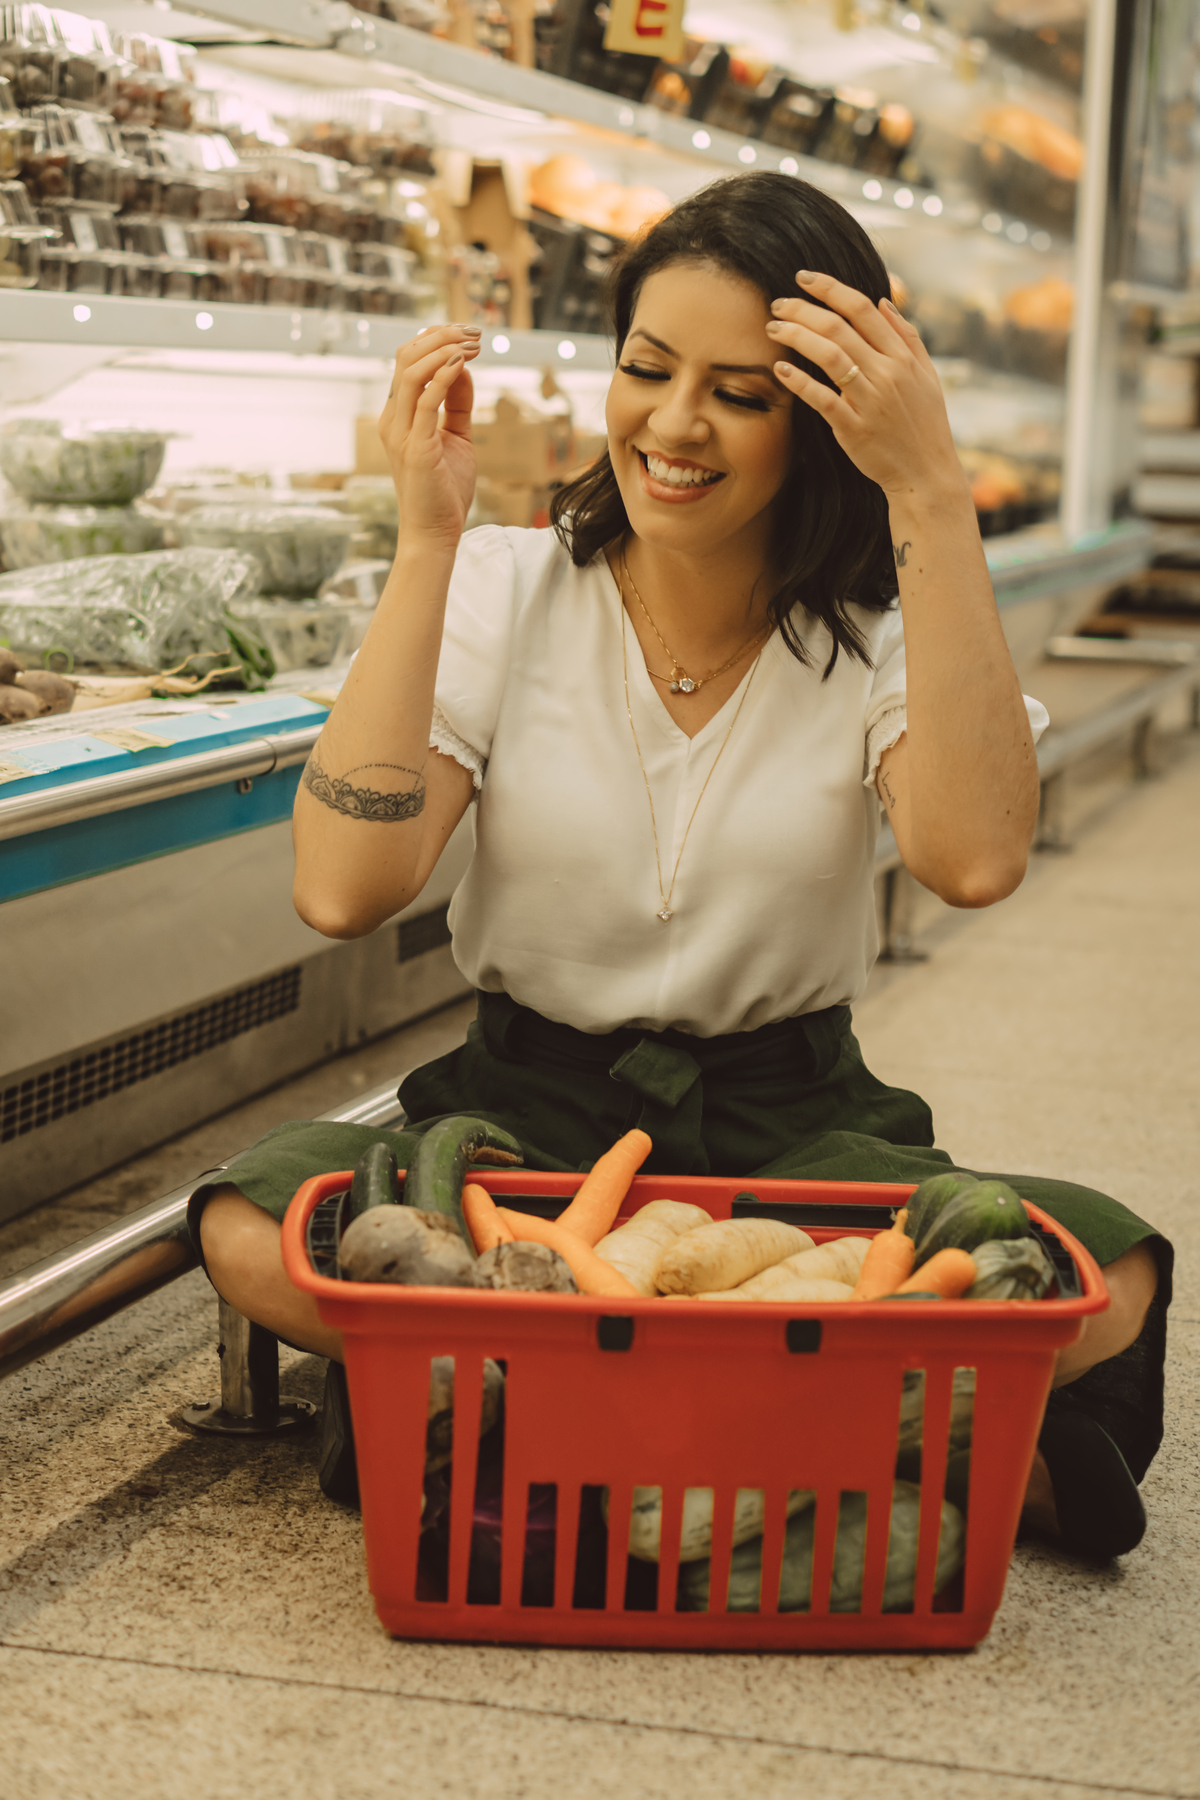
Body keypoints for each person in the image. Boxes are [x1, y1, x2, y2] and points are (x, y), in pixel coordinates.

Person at [193, 173, 1168, 1562]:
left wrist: (934, 492)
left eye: (742, 393)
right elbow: (345, 888)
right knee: (249, 1223)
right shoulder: (505, 587)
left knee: (1106, 1268)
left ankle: (535, 1445)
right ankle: (843, 1442)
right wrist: (426, 542)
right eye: (646, 369)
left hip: (796, 1133)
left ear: (823, 419)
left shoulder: (887, 625)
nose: (673, 424)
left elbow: (973, 858)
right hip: (518, 1128)